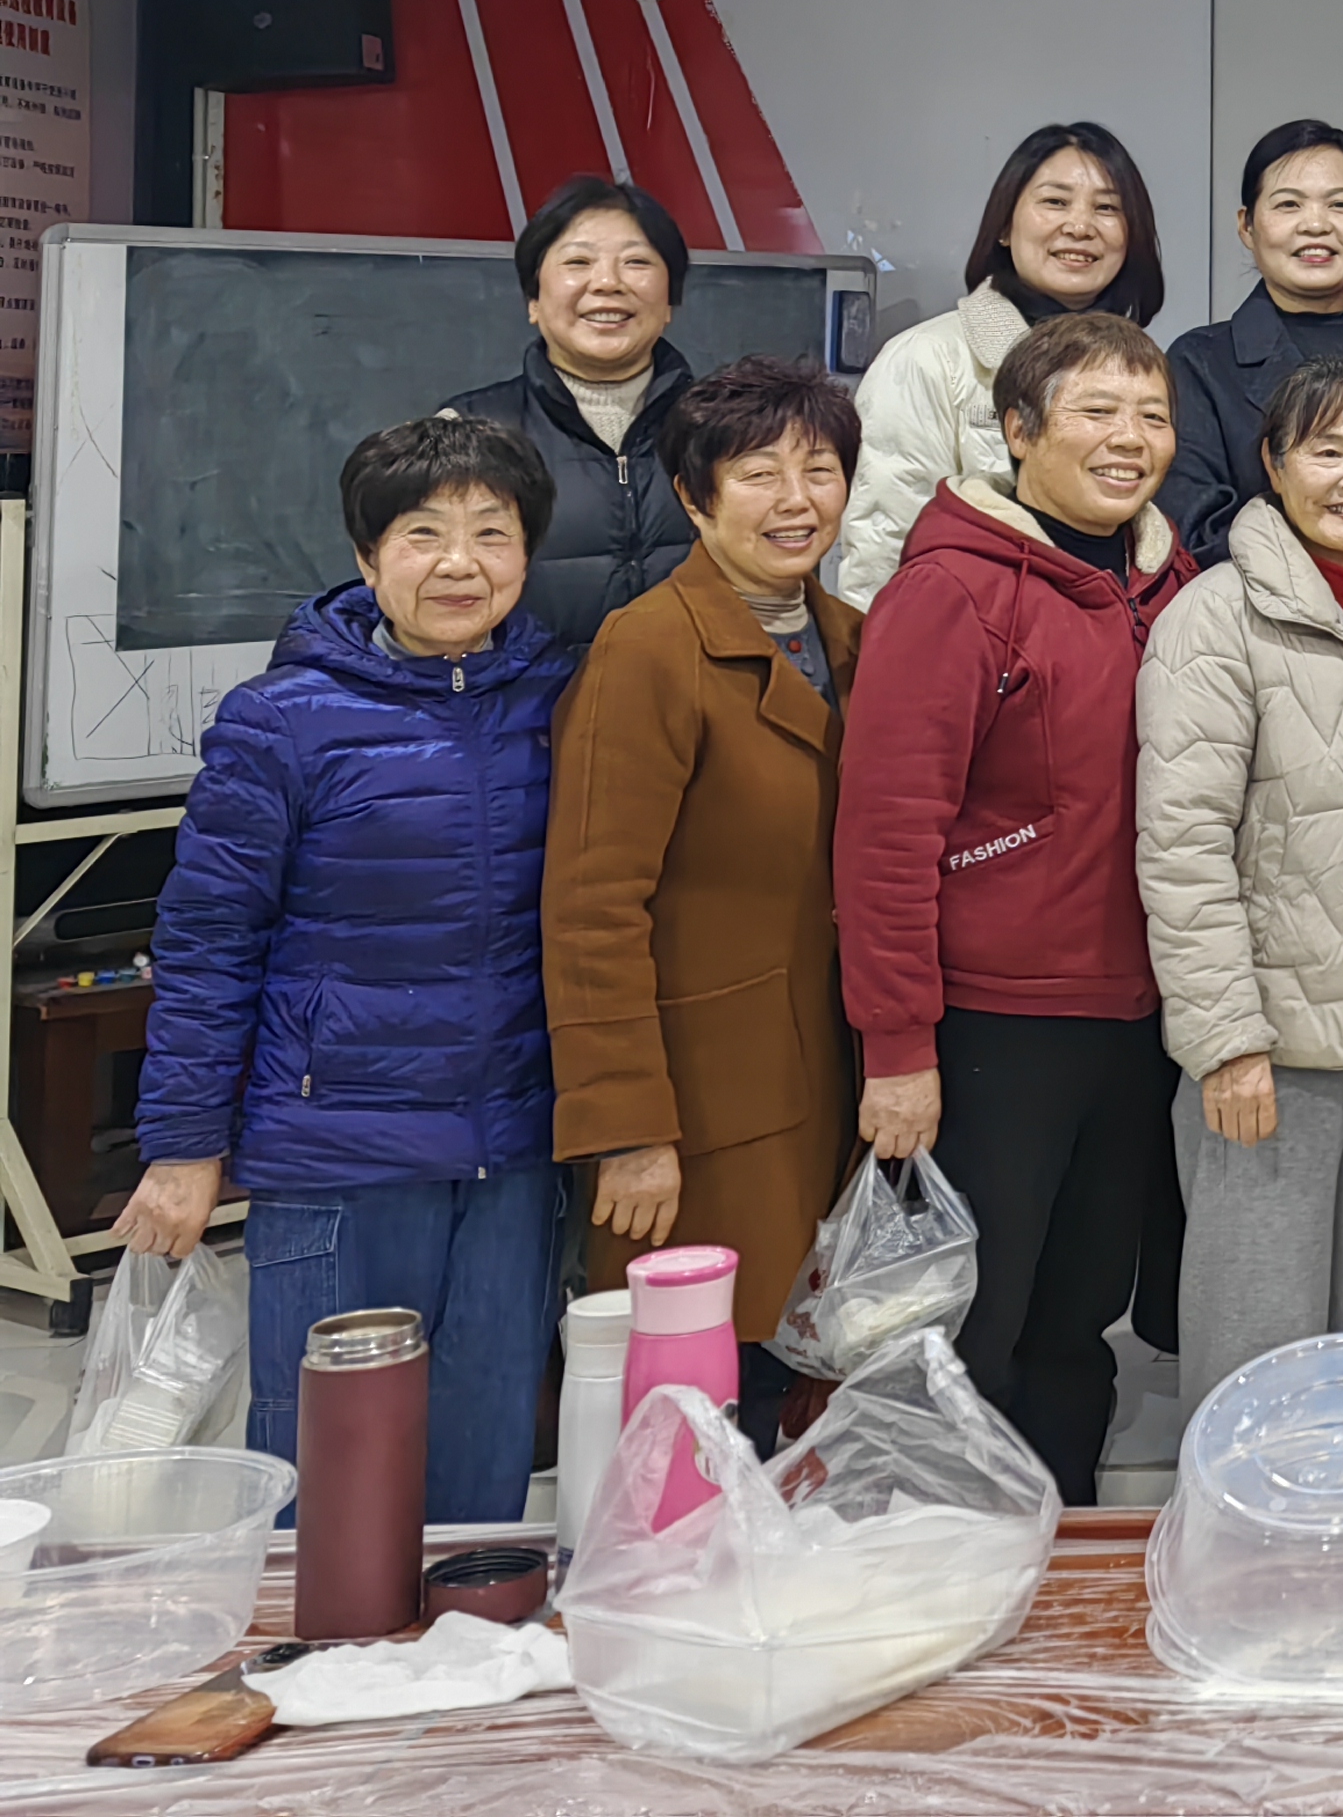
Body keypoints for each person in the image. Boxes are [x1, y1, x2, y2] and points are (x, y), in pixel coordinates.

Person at [121, 413, 573, 1522]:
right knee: (331, 1491)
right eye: (423, 535)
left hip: (515, 1155)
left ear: (527, 553)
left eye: (491, 533)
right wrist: (184, 1145)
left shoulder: (567, 702)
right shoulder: (281, 722)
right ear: (369, 559)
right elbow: (208, 941)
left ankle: (469, 1637)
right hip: (337, 1156)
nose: (459, 563)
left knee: (482, 1477)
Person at [833, 312, 1195, 1503]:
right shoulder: (951, 590)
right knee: (964, 1332)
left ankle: (1061, 1554)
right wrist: (897, 1047)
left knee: (1077, 1326)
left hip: (1135, 1023)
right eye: (1096, 412)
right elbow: (886, 834)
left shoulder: (1174, 587)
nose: (1128, 439)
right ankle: (944, 1565)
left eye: (1150, 415)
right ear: (1018, 431)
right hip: (992, 1026)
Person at [542, 356, 869, 1438]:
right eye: (759, 474)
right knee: (698, 1414)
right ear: (694, 496)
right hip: (702, 1109)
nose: (795, 501)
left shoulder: (854, 637)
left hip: (829, 1084)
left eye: (819, 470)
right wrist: (627, 1127)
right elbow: (592, 908)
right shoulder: (647, 649)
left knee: (806, 1395)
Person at [1137, 355, 1343, 1404]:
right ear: (1273, 464)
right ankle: (1235, 1526)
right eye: (1327, 451)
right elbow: (1181, 846)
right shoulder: (1216, 618)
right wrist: (1226, 1041)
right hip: (1271, 1054)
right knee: (1257, 1359)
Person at [840, 120, 1167, 604]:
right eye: (1055, 202)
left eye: (1106, 208)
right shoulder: (925, 358)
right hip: (972, 641)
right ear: (1004, 227)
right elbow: (883, 551)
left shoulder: (1146, 371)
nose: (1080, 227)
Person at [444, 172, 701, 648]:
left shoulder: (726, 427)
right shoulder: (466, 435)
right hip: (530, 696)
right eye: (578, 262)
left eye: (636, 262)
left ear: (670, 301)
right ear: (533, 301)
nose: (607, 283)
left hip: (694, 695)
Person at [1159, 119, 1343, 568]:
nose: (1316, 224)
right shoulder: (1198, 363)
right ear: (1247, 226)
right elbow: (1198, 532)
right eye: (1288, 204)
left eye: (1339, 204)